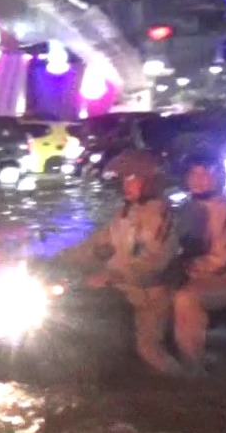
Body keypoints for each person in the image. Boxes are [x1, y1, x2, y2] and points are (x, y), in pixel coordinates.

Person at [57, 151, 182, 375]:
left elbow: (153, 261)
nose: (126, 185)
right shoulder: (124, 212)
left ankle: (185, 385)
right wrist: (58, 259)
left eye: (132, 179)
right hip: (121, 288)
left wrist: (112, 276)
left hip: (149, 293)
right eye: (124, 179)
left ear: (149, 181)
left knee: (148, 349)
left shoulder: (160, 215)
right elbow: (97, 244)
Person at [172, 154, 226, 368]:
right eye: (193, 174)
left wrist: (183, 268)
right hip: (194, 273)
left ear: (218, 178)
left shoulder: (223, 212)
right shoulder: (186, 209)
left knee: (185, 298)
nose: (198, 180)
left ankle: (193, 364)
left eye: (205, 174)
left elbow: (220, 260)